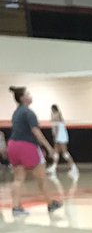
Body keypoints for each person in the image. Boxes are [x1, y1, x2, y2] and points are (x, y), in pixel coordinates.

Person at [7, 87, 63, 217]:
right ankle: (50, 203)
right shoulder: (29, 112)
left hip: (13, 145)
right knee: (41, 177)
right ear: (22, 98)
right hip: (27, 146)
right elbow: (36, 131)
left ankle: (16, 208)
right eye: (28, 94)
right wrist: (49, 147)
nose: (31, 96)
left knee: (18, 179)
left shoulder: (16, 112)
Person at [49, 105, 78, 179]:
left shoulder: (57, 115)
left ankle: (73, 167)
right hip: (58, 135)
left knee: (64, 152)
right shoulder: (54, 115)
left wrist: (56, 135)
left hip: (60, 135)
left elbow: (57, 126)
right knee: (56, 152)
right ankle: (54, 167)